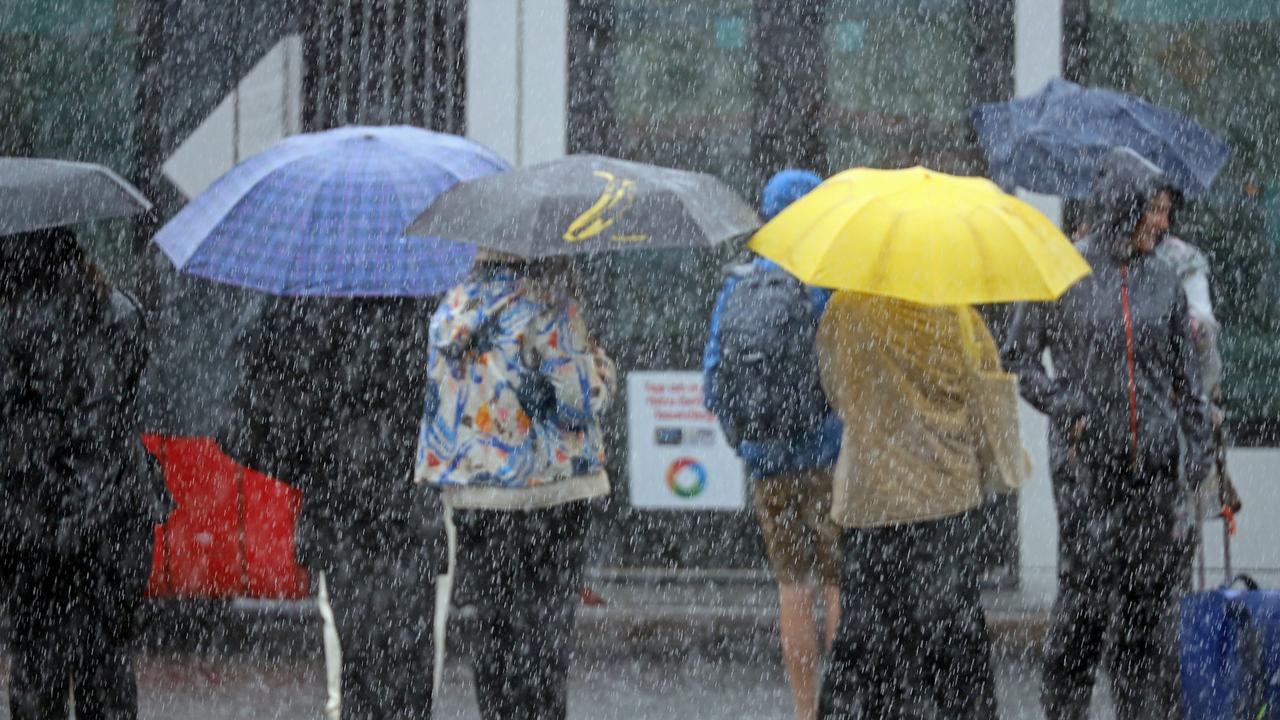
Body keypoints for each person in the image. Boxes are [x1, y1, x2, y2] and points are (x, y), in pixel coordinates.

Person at [1005, 147, 1212, 720]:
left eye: (1168, 211)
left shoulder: (1166, 280)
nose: (1165, 223)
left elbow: (1187, 384)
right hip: (1086, 475)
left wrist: (1195, 453)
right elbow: (1017, 358)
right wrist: (1065, 402)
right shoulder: (1060, 272)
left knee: (1147, 623)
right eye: (1157, 210)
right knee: (1083, 614)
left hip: (1154, 476)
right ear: (1125, 208)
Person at [416, 250, 616, 720]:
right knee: (544, 635)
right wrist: (601, 366)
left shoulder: (453, 308)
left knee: (494, 628)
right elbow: (579, 400)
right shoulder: (548, 308)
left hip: (475, 494)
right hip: (548, 493)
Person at [222, 296, 443, 720]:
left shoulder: (307, 304)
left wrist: (311, 462)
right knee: (409, 666)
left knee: (359, 663)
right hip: (409, 512)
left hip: (343, 514)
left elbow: (250, 416)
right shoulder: (426, 303)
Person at [0, 227, 172, 720]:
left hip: (38, 523)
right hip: (114, 519)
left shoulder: (14, 324)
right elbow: (116, 408)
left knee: (38, 666)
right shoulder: (120, 312)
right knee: (107, 664)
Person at [815, 292, 1001, 720]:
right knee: (953, 644)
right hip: (944, 503)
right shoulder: (958, 316)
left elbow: (836, 390)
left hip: (872, 502)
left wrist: (882, 419)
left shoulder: (845, 309)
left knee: (869, 645)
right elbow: (987, 408)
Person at [704, 168, 842, 720]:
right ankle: (844, 704)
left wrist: (749, 442)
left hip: (766, 467)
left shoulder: (738, 286)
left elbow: (714, 383)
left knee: (792, 588)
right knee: (836, 582)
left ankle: (805, 711)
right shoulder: (825, 284)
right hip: (828, 461)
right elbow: (849, 374)